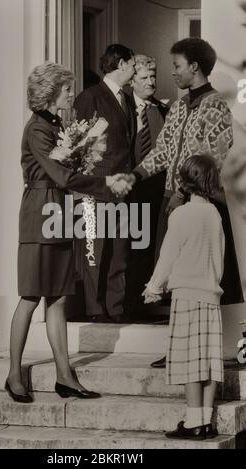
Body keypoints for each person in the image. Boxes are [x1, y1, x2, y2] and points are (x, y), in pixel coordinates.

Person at [115, 37, 243, 366]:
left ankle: (211, 350)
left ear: (195, 67)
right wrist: (136, 174)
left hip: (202, 207)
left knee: (202, 280)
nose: (172, 72)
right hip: (173, 201)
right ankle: (177, 347)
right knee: (177, 279)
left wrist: (183, 194)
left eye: (176, 66)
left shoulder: (215, 106)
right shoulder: (180, 106)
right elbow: (164, 150)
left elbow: (208, 161)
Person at [5, 62, 120, 403]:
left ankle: (65, 376)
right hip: (40, 215)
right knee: (30, 296)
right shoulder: (38, 129)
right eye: (67, 89)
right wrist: (103, 183)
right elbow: (62, 176)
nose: (72, 94)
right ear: (52, 92)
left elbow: (67, 172)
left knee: (57, 298)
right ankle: (13, 374)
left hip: (58, 213)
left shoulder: (56, 125)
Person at [142, 155, 224, 440]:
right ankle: (206, 420)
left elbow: (167, 256)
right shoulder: (214, 215)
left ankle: (192, 422)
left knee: (191, 361)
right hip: (210, 297)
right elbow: (219, 256)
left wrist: (154, 287)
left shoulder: (180, 215)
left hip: (187, 296)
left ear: (184, 182)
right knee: (210, 361)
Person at [73, 44, 137, 323]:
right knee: (94, 250)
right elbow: (82, 147)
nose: (135, 70)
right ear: (121, 64)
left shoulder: (128, 99)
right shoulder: (90, 97)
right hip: (98, 188)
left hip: (123, 187)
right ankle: (96, 309)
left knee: (119, 250)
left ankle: (115, 307)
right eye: (133, 64)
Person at [124, 54, 169, 315]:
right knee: (129, 246)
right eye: (144, 77)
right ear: (132, 81)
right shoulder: (124, 107)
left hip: (154, 189)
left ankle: (147, 301)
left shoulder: (162, 110)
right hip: (128, 188)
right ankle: (128, 302)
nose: (151, 82)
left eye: (153, 77)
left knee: (152, 244)